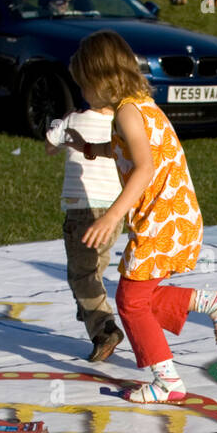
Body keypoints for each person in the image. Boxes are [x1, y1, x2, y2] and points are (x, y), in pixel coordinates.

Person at [65, 31, 217, 404]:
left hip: (162, 221)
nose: (83, 94)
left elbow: (144, 167)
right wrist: (92, 149)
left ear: (101, 79)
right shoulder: (139, 105)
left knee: (130, 301)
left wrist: (112, 216)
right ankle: (213, 303)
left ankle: (167, 381)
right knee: (140, 296)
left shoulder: (128, 111)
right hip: (173, 217)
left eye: (84, 85)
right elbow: (132, 151)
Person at [45, 106, 127, 362]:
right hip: (114, 211)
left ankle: (104, 329)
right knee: (93, 271)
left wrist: (59, 121)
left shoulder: (72, 118)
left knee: (81, 275)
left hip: (82, 210)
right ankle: (89, 310)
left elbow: (50, 146)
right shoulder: (120, 122)